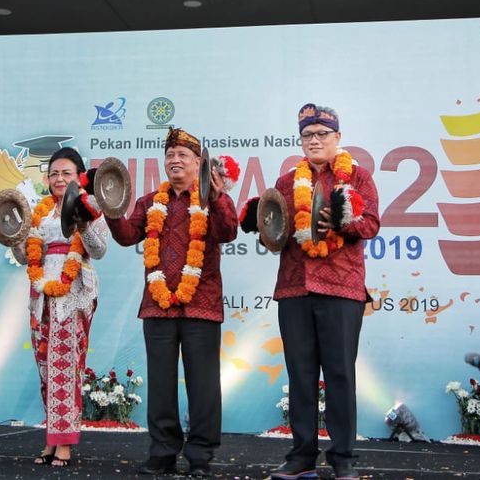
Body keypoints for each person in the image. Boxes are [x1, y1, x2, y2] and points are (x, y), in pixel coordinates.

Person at [241, 104, 379, 480]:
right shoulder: (287, 182)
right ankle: (301, 454)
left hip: (342, 288)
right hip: (295, 288)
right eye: (307, 135)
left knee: (339, 374)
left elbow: (371, 225)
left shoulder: (359, 178)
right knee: (300, 375)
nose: (314, 140)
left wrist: (343, 220)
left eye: (322, 134)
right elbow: (275, 227)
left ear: (338, 138)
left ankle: (343, 458)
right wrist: (256, 217)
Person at [104, 128, 238, 477]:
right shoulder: (150, 202)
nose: (175, 161)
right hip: (157, 304)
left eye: (183, 156)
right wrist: (111, 209)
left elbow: (228, 232)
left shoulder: (211, 198)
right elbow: (127, 236)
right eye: (170, 155)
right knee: (161, 382)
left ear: (199, 164)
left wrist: (218, 194)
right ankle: (162, 451)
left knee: (204, 384)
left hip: (201, 303)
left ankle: (201, 456)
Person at [24, 147, 109, 468]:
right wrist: (17, 236)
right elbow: (24, 256)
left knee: (65, 365)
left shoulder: (90, 207)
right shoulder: (41, 212)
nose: (59, 178)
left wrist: (83, 226)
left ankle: (65, 444)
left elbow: (100, 250)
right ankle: (51, 438)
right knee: (46, 367)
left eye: (67, 173)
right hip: (40, 294)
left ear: (79, 178)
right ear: (47, 179)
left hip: (73, 292)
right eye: (54, 173)